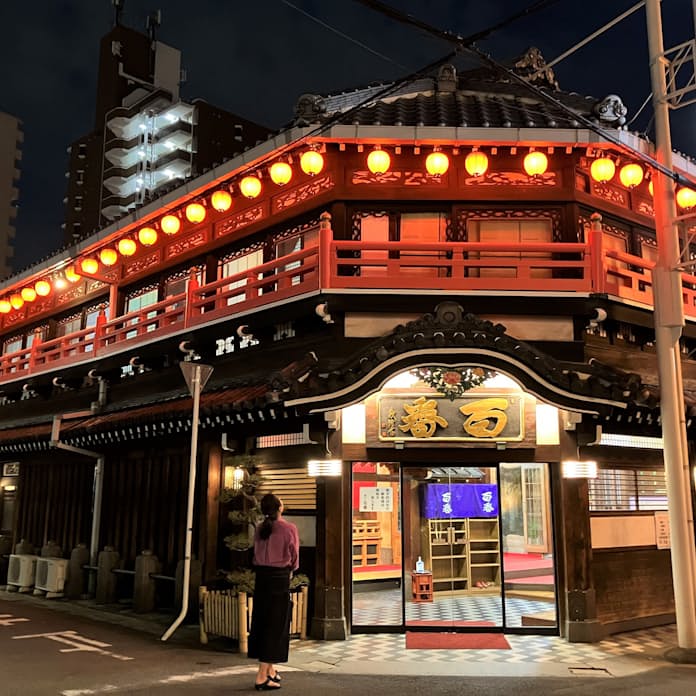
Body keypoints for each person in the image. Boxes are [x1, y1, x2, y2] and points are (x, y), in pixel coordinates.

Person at [248, 493, 300, 691]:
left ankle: (270, 669)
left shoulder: (261, 528)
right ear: (279, 507)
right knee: (276, 625)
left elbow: (255, 553)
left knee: (262, 621)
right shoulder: (289, 528)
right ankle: (262, 675)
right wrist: (290, 571)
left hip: (261, 578)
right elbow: (294, 556)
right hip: (279, 578)